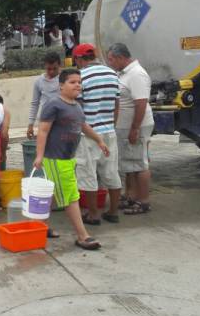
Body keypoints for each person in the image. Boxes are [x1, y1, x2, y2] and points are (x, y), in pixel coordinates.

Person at [33, 69, 109, 250]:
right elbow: (43, 131)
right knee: (70, 197)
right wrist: (39, 155)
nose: (77, 85)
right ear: (61, 85)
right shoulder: (53, 104)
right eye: (72, 82)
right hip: (56, 159)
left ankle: (38, 228)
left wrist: (99, 140)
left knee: (51, 195)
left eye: (79, 82)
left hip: (68, 159)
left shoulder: (76, 106)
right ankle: (83, 236)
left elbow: (83, 126)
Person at [72, 43, 123, 225]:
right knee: (111, 171)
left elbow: (78, 109)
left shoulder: (80, 77)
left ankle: (93, 214)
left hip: (89, 134)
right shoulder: (112, 74)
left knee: (88, 173)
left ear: (79, 59)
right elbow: (117, 106)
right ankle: (113, 211)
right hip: (109, 131)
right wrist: (110, 125)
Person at [107, 43, 154, 215]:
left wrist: (134, 128)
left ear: (120, 58)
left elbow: (140, 103)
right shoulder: (124, 73)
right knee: (130, 163)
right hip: (126, 126)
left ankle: (143, 201)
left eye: (111, 59)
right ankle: (131, 196)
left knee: (140, 164)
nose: (110, 62)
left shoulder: (136, 74)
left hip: (137, 125)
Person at [27, 51, 62, 139]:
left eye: (55, 68)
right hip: (45, 120)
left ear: (60, 65)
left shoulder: (65, 79)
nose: (51, 71)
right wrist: (30, 124)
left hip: (62, 120)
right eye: (48, 69)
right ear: (45, 66)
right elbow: (35, 104)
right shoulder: (39, 81)